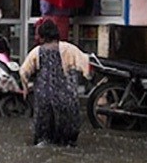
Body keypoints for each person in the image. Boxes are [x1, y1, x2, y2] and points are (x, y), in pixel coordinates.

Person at [19, 18, 92, 147]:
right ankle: (67, 143)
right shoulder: (68, 48)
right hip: (66, 95)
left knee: (44, 131)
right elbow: (85, 62)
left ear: (42, 37)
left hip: (44, 97)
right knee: (68, 131)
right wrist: (88, 77)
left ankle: (44, 141)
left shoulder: (36, 52)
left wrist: (25, 87)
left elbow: (24, 71)